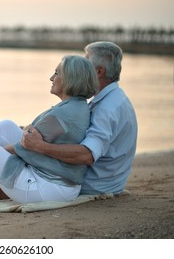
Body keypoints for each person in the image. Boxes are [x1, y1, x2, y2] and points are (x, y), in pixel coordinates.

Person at [0, 55, 99, 205]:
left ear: (69, 78)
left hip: (49, 188)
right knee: (4, 127)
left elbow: (24, 146)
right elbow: (33, 137)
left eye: (56, 73)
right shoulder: (76, 106)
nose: (51, 78)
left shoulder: (63, 113)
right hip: (62, 184)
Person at [20, 41, 138, 195]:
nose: (79, 65)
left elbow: (87, 155)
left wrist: (40, 146)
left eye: (86, 61)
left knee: (19, 155)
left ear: (99, 71)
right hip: (108, 181)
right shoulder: (116, 98)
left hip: (94, 185)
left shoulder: (107, 109)